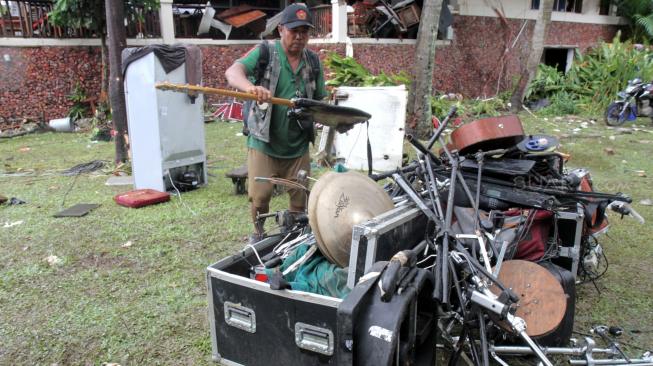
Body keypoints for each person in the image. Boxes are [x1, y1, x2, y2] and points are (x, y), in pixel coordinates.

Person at [225, 3, 328, 242]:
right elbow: (233, 72)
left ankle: (292, 237)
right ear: (281, 29)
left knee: (300, 197)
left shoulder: (312, 62)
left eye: (305, 31)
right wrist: (252, 88)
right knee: (260, 197)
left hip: (298, 144)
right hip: (264, 143)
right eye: (294, 31)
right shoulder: (265, 52)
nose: (300, 37)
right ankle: (259, 236)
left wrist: (333, 119)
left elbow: (320, 100)